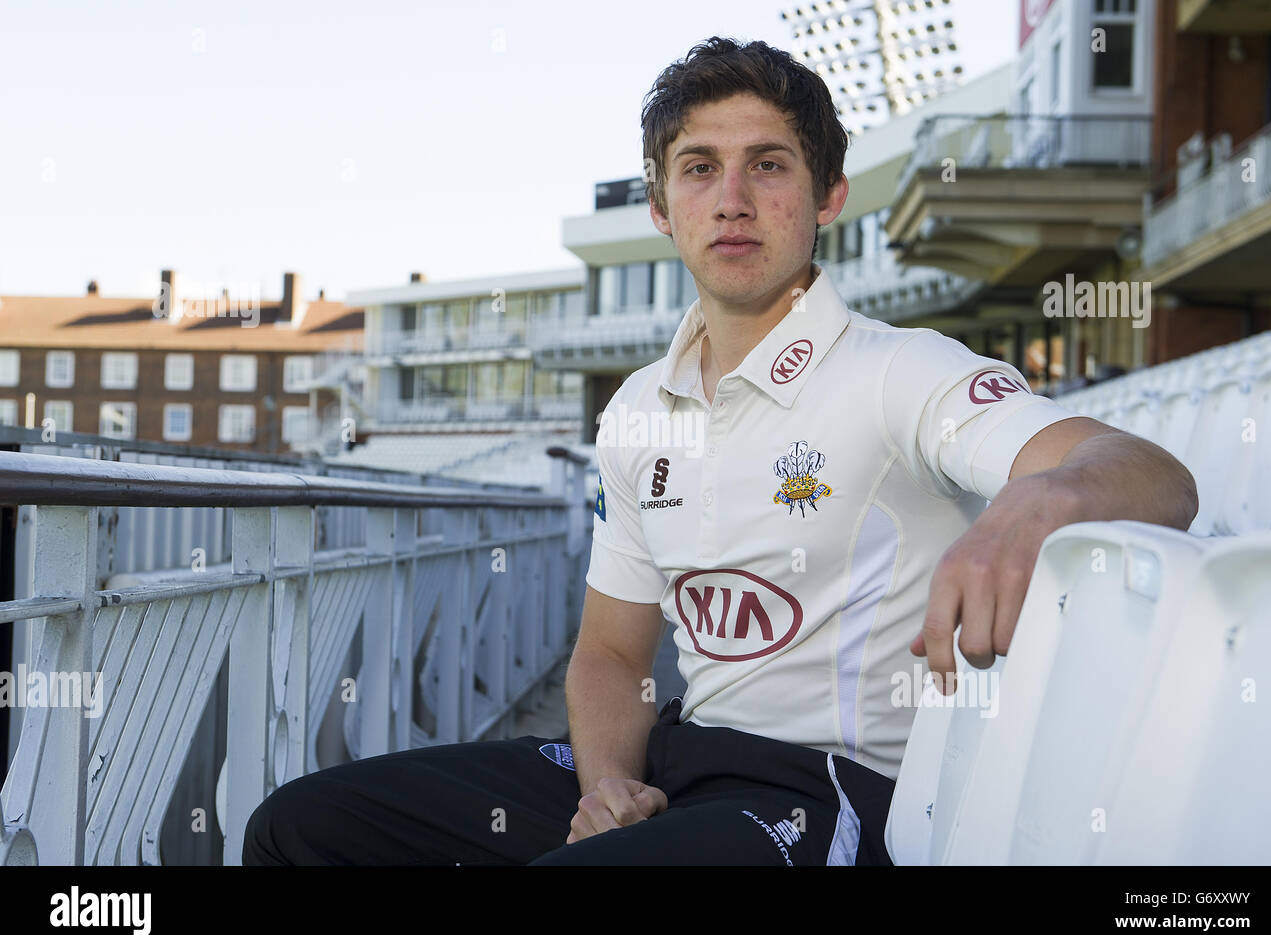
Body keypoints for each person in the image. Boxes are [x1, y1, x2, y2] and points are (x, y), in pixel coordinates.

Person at [242, 36, 1198, 866]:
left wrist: (1035, 505)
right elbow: (613, 653)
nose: (731, 199)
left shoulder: (899, 370)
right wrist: (606, 789)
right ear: (662, 205)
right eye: (699, 167)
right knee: (299, 829)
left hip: (838, 791)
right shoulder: (637, 410)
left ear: (828, 196)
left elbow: (1154, 473)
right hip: (681, 760)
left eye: (768, 166)